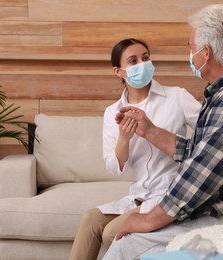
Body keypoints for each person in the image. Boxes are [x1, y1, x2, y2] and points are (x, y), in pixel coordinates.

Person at [102, 4, 223, 260]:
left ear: (206, 53)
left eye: (191, 48)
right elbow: (200, 152)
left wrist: (147, 220)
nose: (190, 54)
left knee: (126, 245)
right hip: (222, 204)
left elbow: (200, 175)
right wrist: (151, 131)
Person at [68, 38, 201, 260]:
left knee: (112, 233)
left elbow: (211, 135)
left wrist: (154, 131)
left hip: (169, 194)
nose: (142, 63)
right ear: (118, 71)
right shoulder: (113, 112)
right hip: (138, 195)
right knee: (89, 220)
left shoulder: (177, 97)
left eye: (145, 58)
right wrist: (124, 138)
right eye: (133, 61)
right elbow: (115, 168)